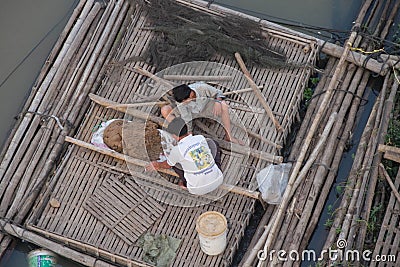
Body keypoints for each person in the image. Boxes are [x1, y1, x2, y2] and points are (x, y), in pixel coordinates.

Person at [145, 117, 223, 195]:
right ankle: (212, 170)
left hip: (197, 189)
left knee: (174, 163)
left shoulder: (176, 150)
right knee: (213, 144)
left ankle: (184, 183)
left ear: (174, 135)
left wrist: (157, 164)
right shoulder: (200, 138)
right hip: (218, 179)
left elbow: (167, 165)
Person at [160, 82, 243, 145]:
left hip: (206, 108)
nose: (184, 103)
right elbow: (186, 116)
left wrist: (218, 101)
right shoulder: (181, 101)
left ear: (190, 95)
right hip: (192, 113)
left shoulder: (202, 87)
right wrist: (189, 133)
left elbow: (219, 92)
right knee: (165, 110)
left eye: (185, 101)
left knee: (224, 105)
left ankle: (229, 136)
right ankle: (181, 134)